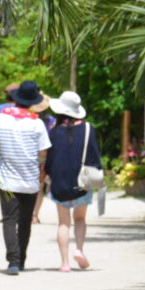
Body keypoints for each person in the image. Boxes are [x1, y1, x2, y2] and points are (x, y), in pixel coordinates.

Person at [0, 81, 51, 275]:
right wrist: (38, 167)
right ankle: (21, 261)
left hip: (6, 179)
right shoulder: (37, 123)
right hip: (30, 180)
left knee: (9, 220)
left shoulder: (0, 120)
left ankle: (13, 261)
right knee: (26, 221)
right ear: (33, 102)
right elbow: (43, 153)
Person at [44, 91, 102, 272]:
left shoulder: (53, 132)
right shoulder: (88, 129)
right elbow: (94, 155)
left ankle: (64, 263)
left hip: (60, 182)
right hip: (81, 183)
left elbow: (49, 159)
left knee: (63, 223)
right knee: (80, 219)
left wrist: (48, 176)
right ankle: (79, 250)